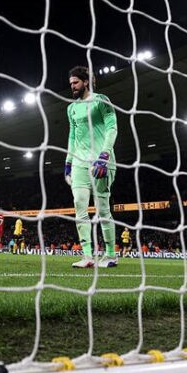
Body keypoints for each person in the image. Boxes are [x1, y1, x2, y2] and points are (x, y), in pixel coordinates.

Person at [65, 66, 118, 268]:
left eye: (76, 82)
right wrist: (68, 162)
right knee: (79, 206)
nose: (72, 86)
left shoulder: (101, 100)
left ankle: (111, 255)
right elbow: (72, 137)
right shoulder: (71, 108)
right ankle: (87, 256)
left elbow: (112, 128)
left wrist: (105, 155)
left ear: (86, 82)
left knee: (102, 209)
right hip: (79, 162)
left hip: (101, 161)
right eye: (71, 83)